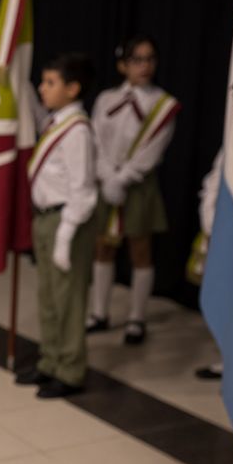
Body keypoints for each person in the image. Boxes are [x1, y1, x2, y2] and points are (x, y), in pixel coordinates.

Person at [86, 35, 180, 344]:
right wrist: (105, 175)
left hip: (138, 185)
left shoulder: (161, 103)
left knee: (140, 250)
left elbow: (152, 150)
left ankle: (137, 318)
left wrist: (123, 177)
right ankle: (99, 312)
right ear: (122, 65)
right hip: (105, 181)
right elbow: (95, 140)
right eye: (137, 59)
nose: (145, 65)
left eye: (150, 58)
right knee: (103, 245)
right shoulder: (106, 99)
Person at [15, 53, 97, 398]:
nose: (42, 88)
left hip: (68, 221)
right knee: (49, 296)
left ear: (73, 89)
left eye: (50, 82)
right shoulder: (56, 121)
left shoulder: (77, 130)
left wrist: (65, 233)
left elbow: (84, 189)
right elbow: (35, 112)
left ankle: (71, 370)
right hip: (46, 217)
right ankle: (50, 360)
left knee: (68, 299)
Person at [188, 147, 225, 379]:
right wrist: (211, 225)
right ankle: (229, 358)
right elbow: (213, 182)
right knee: (226, 297)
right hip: (227, 232)